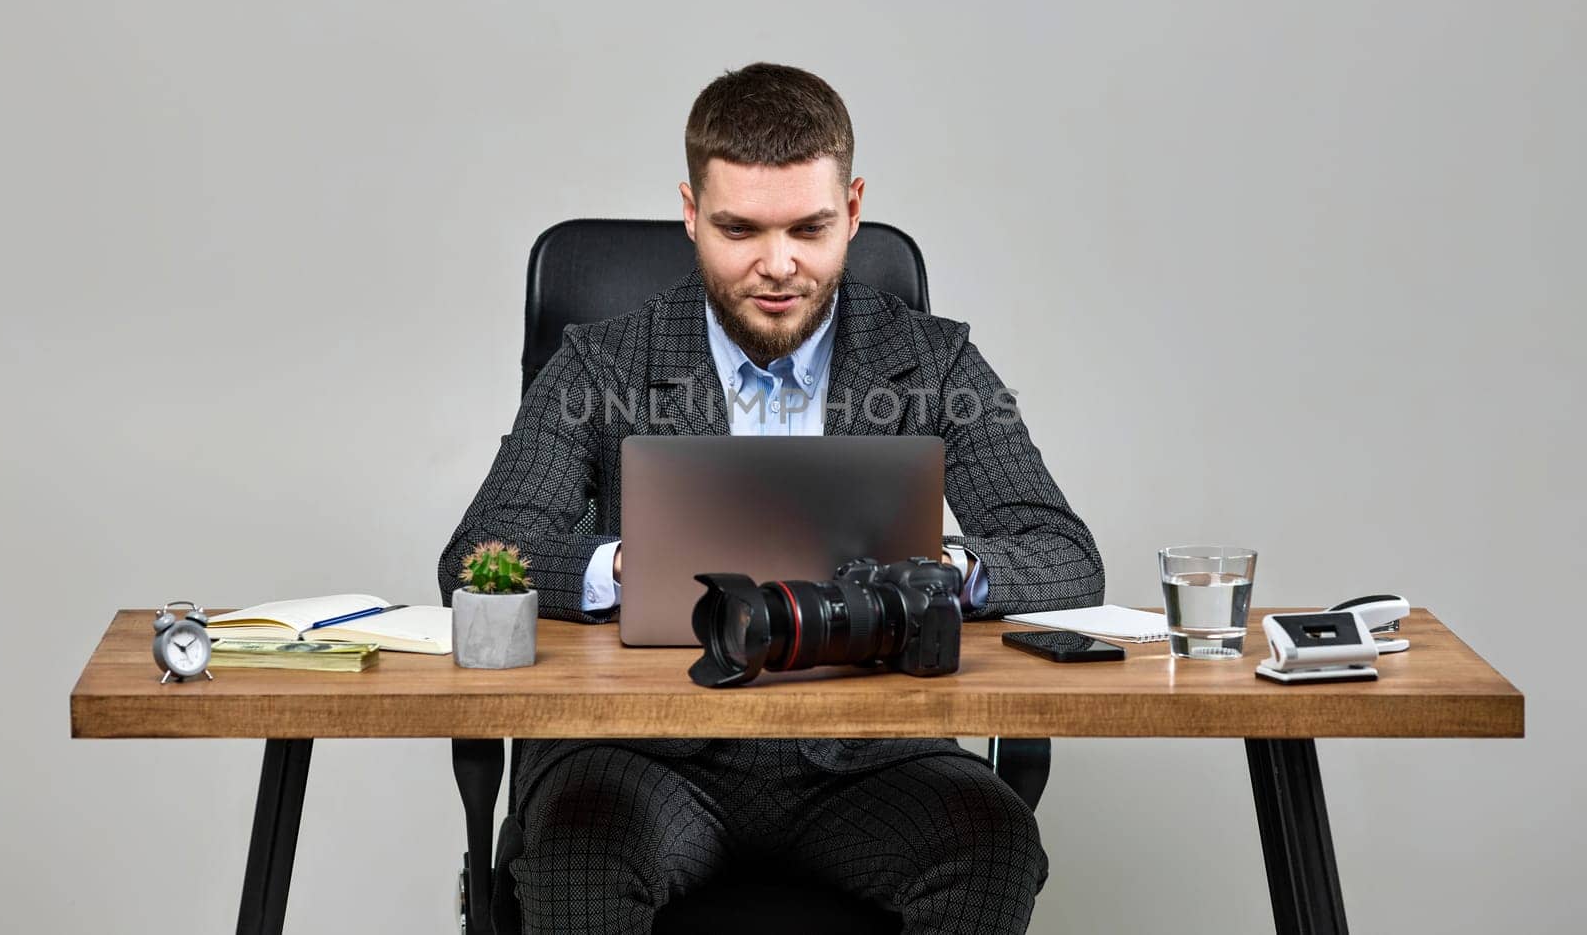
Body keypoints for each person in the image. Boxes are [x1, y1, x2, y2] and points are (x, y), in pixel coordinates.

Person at [439, 62, 1105, 934]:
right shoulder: (600, 362)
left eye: (810, 228)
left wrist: (950, 571)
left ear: (854, 210)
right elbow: (485, 552)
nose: (778, 264)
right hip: (647, 753)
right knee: (574, 854)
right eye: (740, 229)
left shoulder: (934, 362)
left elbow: (1065, 551)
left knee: (992, 843)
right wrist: (626, 568)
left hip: (868, 759)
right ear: (690, 213)